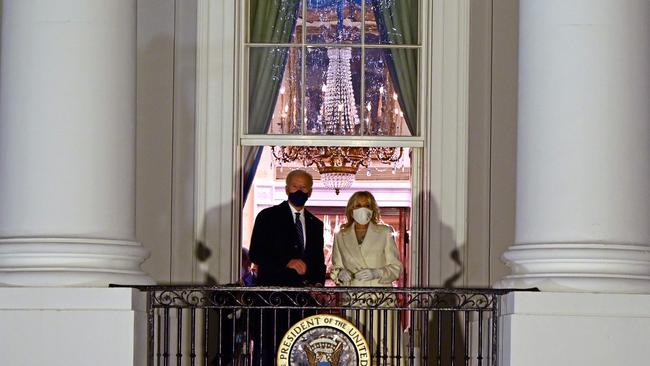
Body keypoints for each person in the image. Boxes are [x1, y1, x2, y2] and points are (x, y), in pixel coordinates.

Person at [248, 169, 326, 365]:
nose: (299, 191)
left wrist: (318, 284)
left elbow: (318, 260)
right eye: (294, 186)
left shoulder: (315, 224)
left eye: (303, 187)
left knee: (300, 354)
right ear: (286, 189)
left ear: (310, 192)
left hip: (302, 304)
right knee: (267, 353)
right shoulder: (268, 217)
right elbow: (256, 253)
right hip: (271, 300)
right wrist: (286, 262)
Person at [330, 191, 403, 364]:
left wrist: (377, 273)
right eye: (358, 206)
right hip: (354, 300)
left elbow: (396, 268)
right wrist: (340, 274)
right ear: (351, 209)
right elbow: (335, 268)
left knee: (386, 349)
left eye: (367, 205)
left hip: (381, 299)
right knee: (357, 347)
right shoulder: (340, 236)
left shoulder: (385, 232)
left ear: (373, 209)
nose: (362, 209)